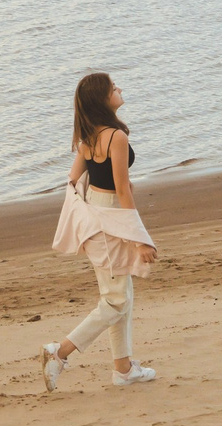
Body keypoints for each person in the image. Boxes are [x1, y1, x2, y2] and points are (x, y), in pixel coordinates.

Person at [40, 72, 158, 391]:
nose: (119, 89)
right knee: (116, 299)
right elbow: (122, 190)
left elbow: (73, 181)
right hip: (110, 219)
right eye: (113, 88)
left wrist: (89, 212)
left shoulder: (89, 136)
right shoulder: (115, 137)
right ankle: (60, 352)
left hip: (96, 215)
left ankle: (123, 369)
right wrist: (139, 238)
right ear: (102, 99)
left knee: (121, 296)